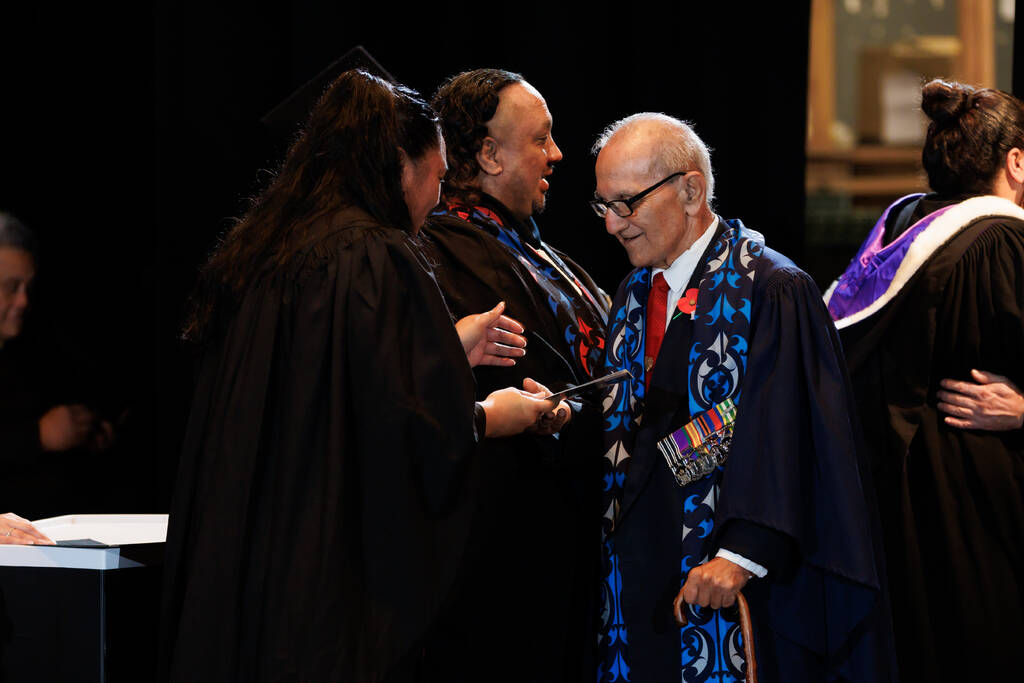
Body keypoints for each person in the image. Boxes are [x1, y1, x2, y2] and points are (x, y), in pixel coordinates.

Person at [160, 70, 561, 683]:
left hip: (249, 566)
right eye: (436, 173)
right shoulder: (376, 254)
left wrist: (448, 349)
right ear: (401, 162)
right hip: (327, 588)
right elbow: (400, 430)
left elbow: (326, 395)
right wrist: (486, 417)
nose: (436, 196)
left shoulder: (268, 251)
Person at [592, 113, 895, 682]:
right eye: (603, 205)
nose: (612, 225)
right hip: (639, 579)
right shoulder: (633, 294)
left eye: (626, 204)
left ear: (691, 190)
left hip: (733, 586)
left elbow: (794, 432)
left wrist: (741, 555)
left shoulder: (773, 288)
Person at [826, 79, 1024, 682]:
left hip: (899, 502)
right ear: (1016, 162)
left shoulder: (897, 230)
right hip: (982, 503)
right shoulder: (1006, 242)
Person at [421, 69, 609, 681]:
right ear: (489, 155)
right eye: (541, 140)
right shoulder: (449, 253)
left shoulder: (524, 244)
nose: (557, 154)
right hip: (510, 564)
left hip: (563, 543)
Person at [0, 211, 115, 519]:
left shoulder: (32, 348)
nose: (23, 301)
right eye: (11, 286)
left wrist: (85, 433)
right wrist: (37, 435)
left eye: (28, 287)